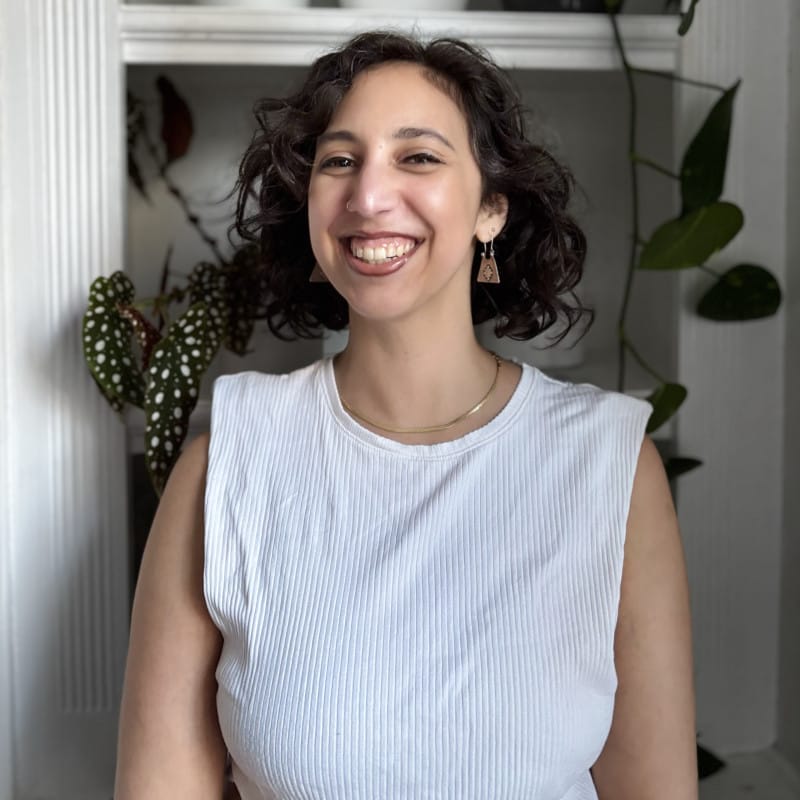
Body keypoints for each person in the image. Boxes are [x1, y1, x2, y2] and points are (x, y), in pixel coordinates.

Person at [114, 31, 698, 800]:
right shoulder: (226, 465)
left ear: (492, 206)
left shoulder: (610, 464)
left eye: (417, 156)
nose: (367, 196)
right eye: (339, 160)